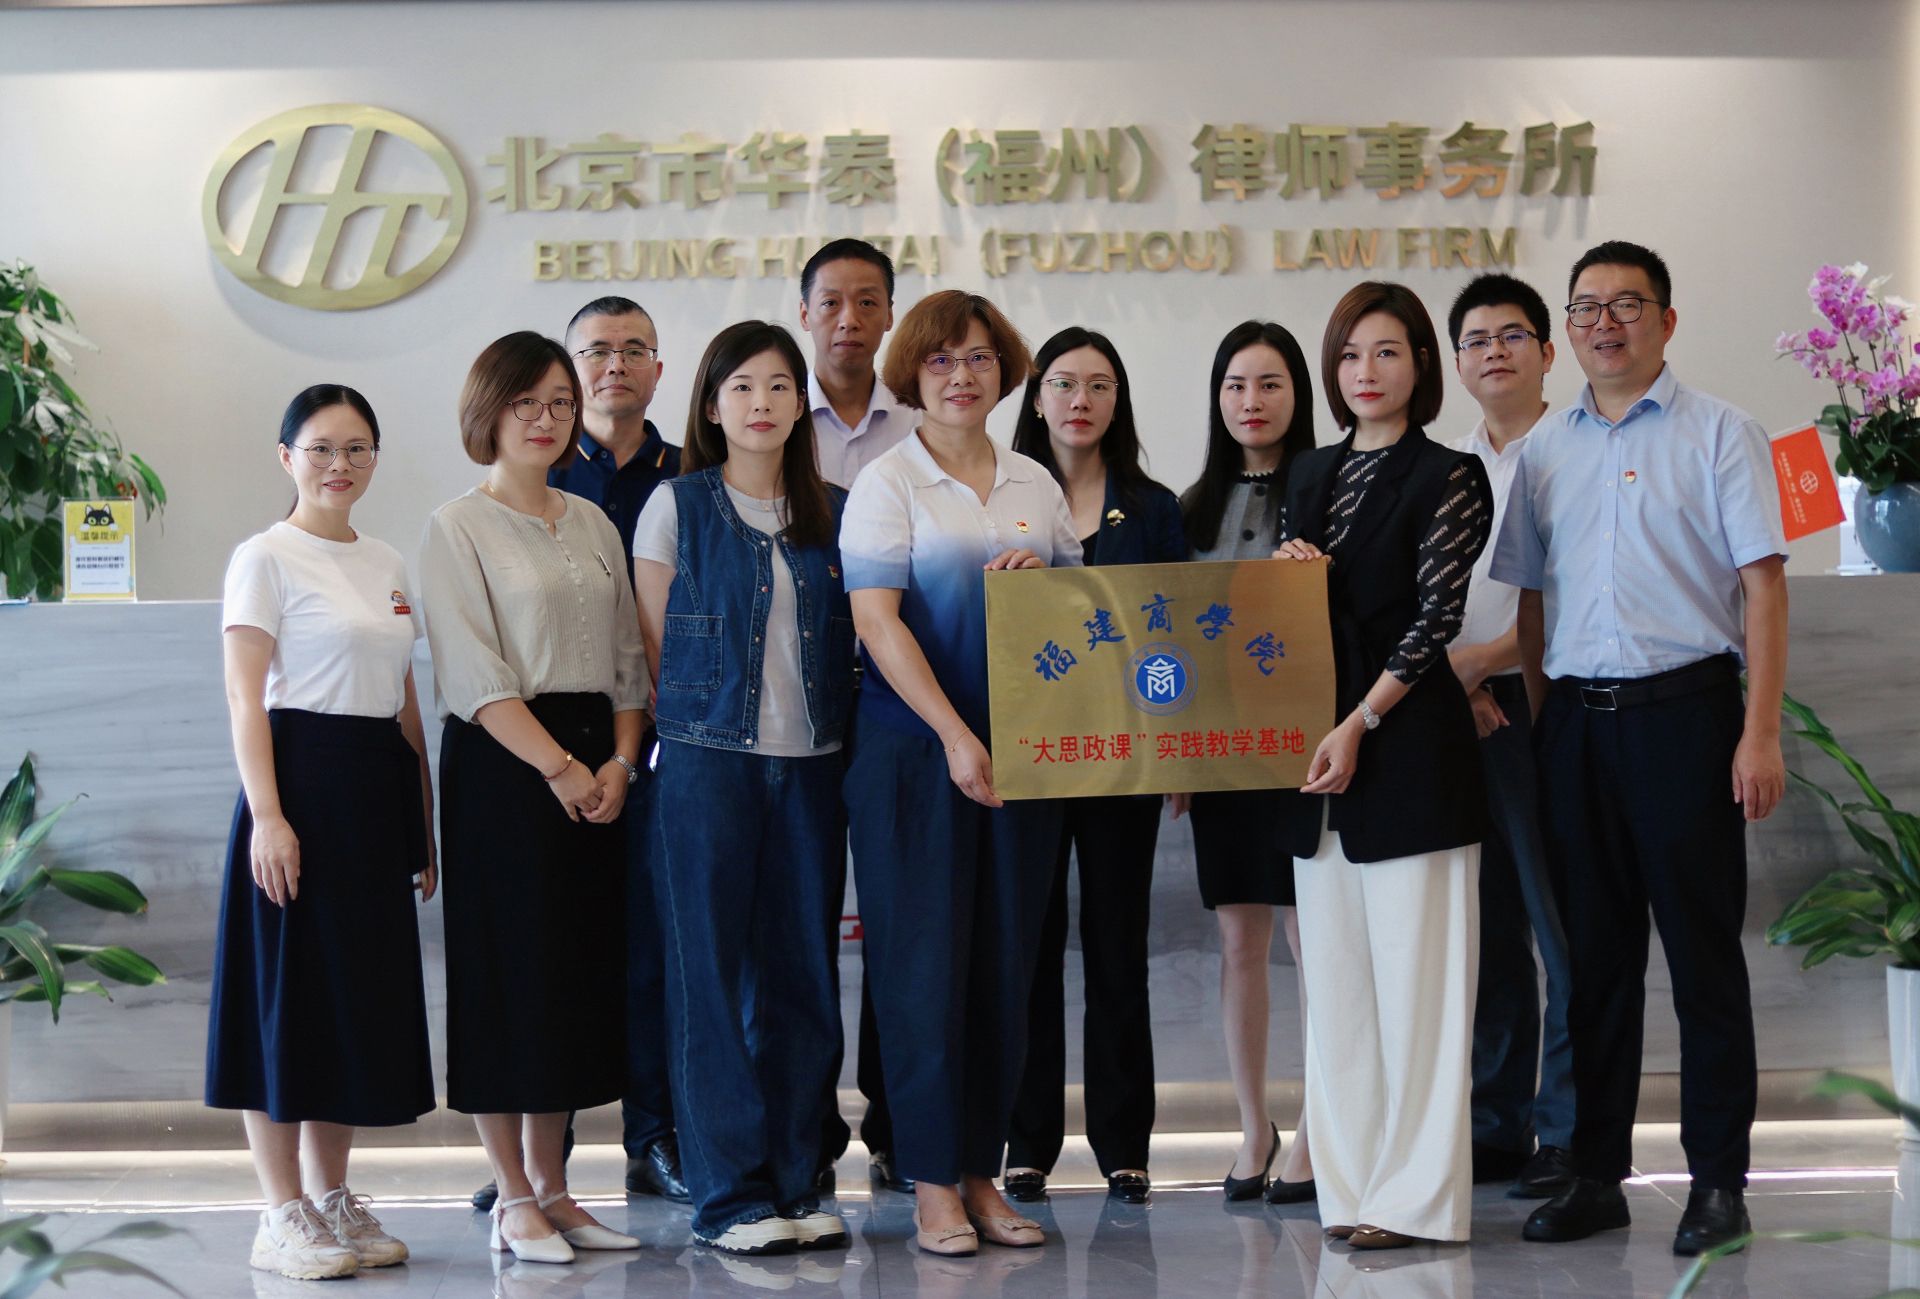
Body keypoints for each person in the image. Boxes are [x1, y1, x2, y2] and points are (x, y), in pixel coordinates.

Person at [1497, 241, 1787, 1257]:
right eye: (1587, 307)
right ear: (1567, 331)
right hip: (1577, 725)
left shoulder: (1722, 433)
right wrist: (1548, 727)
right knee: (1593, 963)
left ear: (1666, 320)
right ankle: (1596, 1174)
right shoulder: (1545, 450)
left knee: (1703, 958)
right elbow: (1532, 603)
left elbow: (1762, 588)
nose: (1605, 322)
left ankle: (1718, 1183)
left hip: (1687, 717)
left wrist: (1759, 731)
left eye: (1628, 304)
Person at [839, 290, 1079, 1257]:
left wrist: (1046, 586)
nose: (961, 376)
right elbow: (875, 620)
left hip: (1025, 753)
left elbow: (1086, 616)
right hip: (913, 753)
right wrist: (952, 734)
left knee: (1004, 967)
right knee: (922, 970)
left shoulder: (1035, 481)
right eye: (940, 359)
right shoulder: (888, 481)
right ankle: (932, 1182)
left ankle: (983, 1171)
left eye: (978, 358)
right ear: (913, 372)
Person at [1274, 281, 1493, 1250]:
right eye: (1351, 354)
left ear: (1421, 366)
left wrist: (1361, 720)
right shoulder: (1310, 472)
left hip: (1407, 753)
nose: (1367, 372)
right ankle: (1353, 1188)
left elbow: (1434, 619)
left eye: (1388, 352)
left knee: (1420, 993)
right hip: (1315, 764)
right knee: (1339, 996)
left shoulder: (1450, 475)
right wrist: (1284, 585)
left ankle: (1418, 1202)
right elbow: (1291, 620)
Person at [420, 331, 646, 1264]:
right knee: (506, 976)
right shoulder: (456, 526)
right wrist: (560, 768)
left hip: (598, 758)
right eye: (526, 402)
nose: (546, 418)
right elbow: (473, 673)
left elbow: (629, 660)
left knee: (569, 977)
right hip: (505, 765)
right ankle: (511, 1194)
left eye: (560, 401)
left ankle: (556, 1187)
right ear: (489, 412)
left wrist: (621, 762)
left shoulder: (592, 521)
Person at [633, 321, 856, 1256]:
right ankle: (728, 1197)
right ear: (712, 404)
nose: (761, 403)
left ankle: (798, 1180)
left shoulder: (837, 510)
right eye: (741, 387)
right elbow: (654, 649)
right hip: (705, 766)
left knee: (804, 976)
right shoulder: (675, 506)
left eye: (778, 386)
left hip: (814, 767)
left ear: (800, 403)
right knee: (709, 980)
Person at [207, 385, 435, 1281]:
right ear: (286, 457)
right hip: (297, 786)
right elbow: (243, 696)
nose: (341, 464)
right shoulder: (263, 556)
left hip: (372, 793)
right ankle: (280, 1213)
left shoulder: (386, 559)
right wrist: (268, 815)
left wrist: (422, 824)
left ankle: (330, 1195)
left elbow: (406, 703)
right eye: (321, 448)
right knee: (284, 1001)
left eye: (357, 448)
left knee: (347, 1001)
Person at [1004, 327, 1185, 1205]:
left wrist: (1175, 746)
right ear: (1037, 398)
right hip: (1029, 756)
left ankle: (1124, 1143)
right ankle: (1027, 1142)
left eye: (1100, 385)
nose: (1081, 400)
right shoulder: (1002, 496)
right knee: (1029, 949)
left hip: (1124, 756)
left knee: (1119, 948)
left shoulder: (1152, 507)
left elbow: (1175, 632)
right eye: (1065, 383)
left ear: (1119, 401)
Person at [1175, 321, 1321, 1206]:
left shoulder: (1329, 486)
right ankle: (1253, 1125)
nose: (1252, 401)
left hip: (1309, 752)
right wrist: (1173, 751)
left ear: (1298, 393)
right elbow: (1167, 638)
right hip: (1221, 753)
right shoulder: (1189, 506)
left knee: (1313, 942)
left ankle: (1320, 1125)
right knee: (1240, 941)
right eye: (1235, 385)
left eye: (1269, 383)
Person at [1444, 273, 1578, 1201]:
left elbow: (1580, 591)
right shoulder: (1446, 466)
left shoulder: (1577, 451)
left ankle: (1568, 1128)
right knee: (1487, 926)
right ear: (1456, 363)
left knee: (1561, 923)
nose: (1494, 351)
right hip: (1456, 715)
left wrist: (1485, 666)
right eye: (1476, 339)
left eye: (1512, 335)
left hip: (1544, 706)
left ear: (1547, 351)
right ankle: (1497, 1123)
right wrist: (1456, 688)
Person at [796, 238, 917, 1194]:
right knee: (798, 921)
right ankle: (803, 1127)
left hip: (895, 708)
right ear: (805, 314)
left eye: (867, 300)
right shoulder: (768, 420)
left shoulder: (922, 429)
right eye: (831, 301)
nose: (849, 318)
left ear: (889, 316)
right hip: (792, 711)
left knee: (896, 918)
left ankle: (894, 1121)